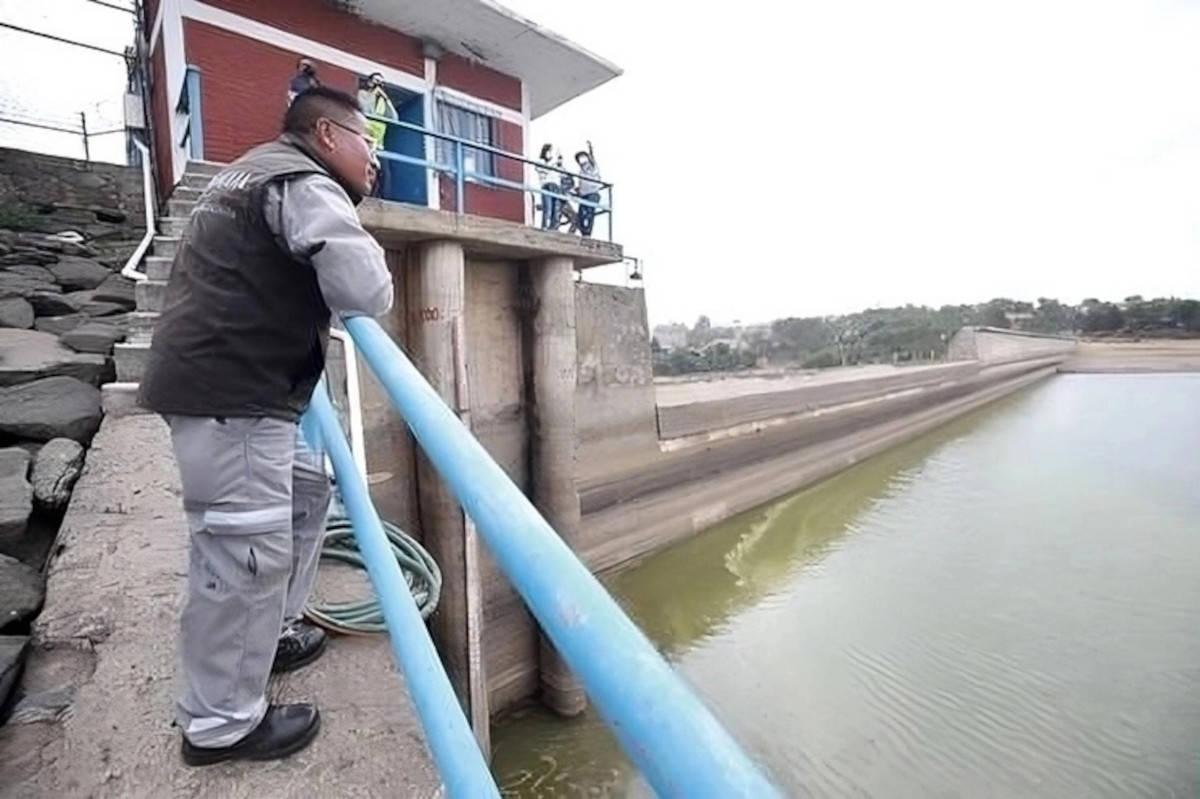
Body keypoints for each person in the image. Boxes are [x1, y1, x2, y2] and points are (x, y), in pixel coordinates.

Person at [138, 87, 392, 767]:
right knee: (243, 553)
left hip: (240, 385)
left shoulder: (253, 168)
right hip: (233, 391)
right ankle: (221, 723)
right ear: (329, 135)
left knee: (310, 490)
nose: (375, 156)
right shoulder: (303, 180)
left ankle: (274, 628)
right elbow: (365, 290)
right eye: (368, 138)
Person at [357, 73, 397, 197]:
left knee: (385, 174)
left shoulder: (383, 100)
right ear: (369, 82)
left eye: (381, 83)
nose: (378, 84)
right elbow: (365, 109)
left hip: (379, 144)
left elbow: (394, 118)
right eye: (376, 81)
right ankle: (364, 196)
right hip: (366, 140)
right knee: (366, 171)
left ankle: (384, 201)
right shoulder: (362, 94)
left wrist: (386, 99)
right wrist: (373, 95)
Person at [574, 141, 602, 238]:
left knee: (589, 213)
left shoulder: (592, 166)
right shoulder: (581, 171)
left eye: (583, 157)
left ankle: (588, 233)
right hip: (584, 194)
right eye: (579, 158)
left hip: (592, 193)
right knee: (581, 214)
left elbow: (592, 158)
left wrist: (590, 148)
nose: (581, 160)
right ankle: (584, 232)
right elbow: (581, 184)